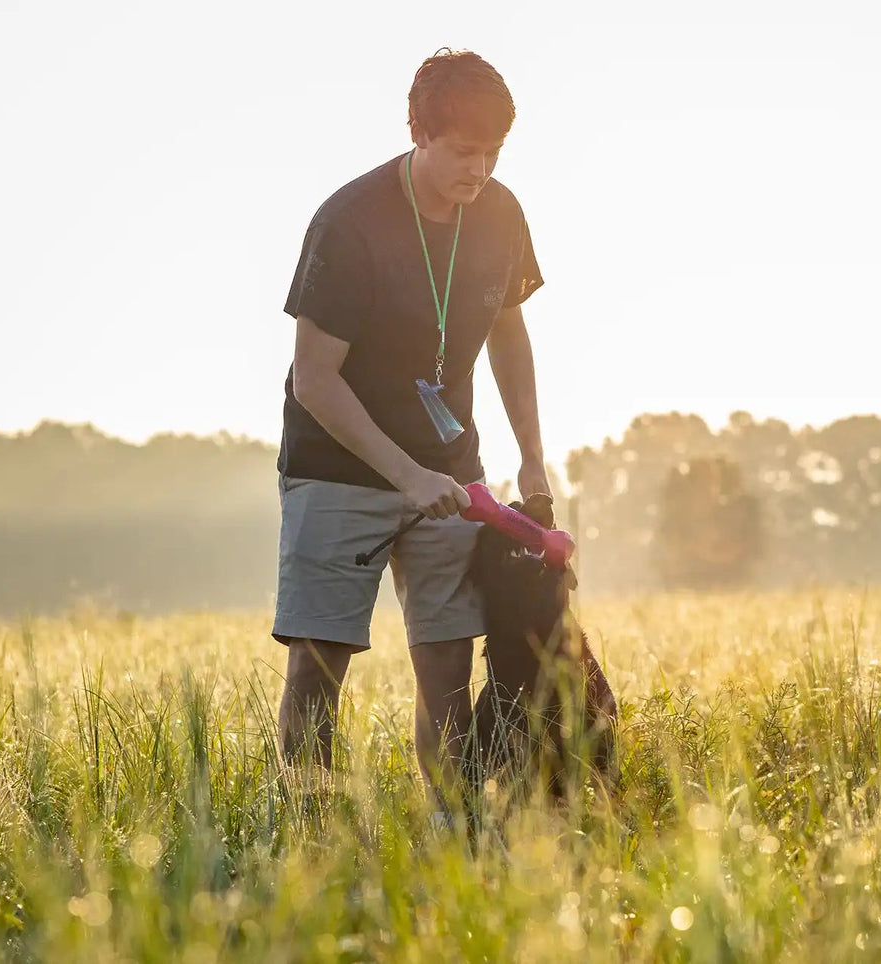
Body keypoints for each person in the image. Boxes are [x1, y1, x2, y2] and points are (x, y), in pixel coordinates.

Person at [273, 48, 550, 819]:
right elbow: (313, 378)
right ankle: (309, 839)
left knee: (449, 669)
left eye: (494, 153)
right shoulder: (349, 221)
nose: (479, 170)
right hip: (337, 469)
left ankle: (455, 835)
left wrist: (531, 459)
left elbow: (508, 332)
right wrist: (404, 476)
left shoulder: (500, 213)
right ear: (418, 132)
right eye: (464, 152)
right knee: (319, 666)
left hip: (452, 474)